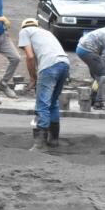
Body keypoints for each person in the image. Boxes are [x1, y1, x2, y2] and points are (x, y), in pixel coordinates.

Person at [18, 18, 71, 149]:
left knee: (42, 104)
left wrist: (32, 78)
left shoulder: (25, 31)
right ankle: (53, 140)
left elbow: (30, 57)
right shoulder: (46, 33)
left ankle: (39, 144)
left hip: (50, 66)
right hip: (64, 64)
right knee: (52, 103)